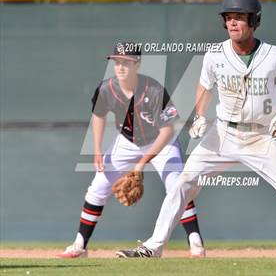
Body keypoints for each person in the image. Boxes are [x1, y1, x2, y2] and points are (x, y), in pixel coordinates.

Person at [116, 0, 276, 259]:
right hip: (222, 134)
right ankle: (153, 246)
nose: (232, 23)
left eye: (239, 17)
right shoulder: (215, 54)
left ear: (254, 21)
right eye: (229, 17)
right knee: (183, 184)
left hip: (261, 137)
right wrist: (199, 116)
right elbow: (205, 85)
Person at [58, 42, 205, 258]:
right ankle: (80, 246)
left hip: (161, 141)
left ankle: (196, 243)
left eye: (126, 62)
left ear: (137, 65)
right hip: (127, 141)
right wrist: (97, 149)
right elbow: (98, 116)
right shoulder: (106, 88)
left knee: (177, 186)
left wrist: (141, 162)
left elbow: (167, 131)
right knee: (98, 186)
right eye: (116, 61)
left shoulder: (154, 90)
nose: (120, 67)